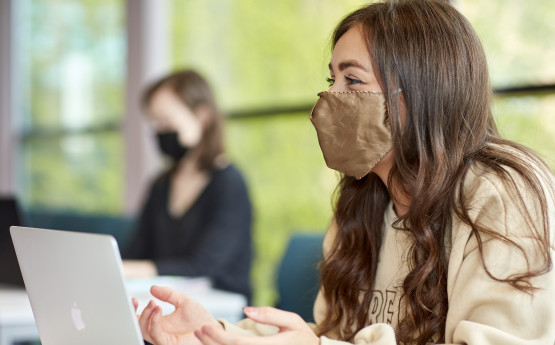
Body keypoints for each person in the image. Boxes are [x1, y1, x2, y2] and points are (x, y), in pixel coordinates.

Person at [134, 1, 555, 344]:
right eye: (331, 79)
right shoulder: (364, 198)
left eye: (351, 81)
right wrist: (210, 332)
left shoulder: (505, 190)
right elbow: (330, 333)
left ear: (423, 90)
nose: (327, 99)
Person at [123, 69, 253, 302]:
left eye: (166, 121)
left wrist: (132, 269)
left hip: (218, 312)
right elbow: (136, 250)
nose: (159, 131)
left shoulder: (229, 185)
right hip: (163, 304)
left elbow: (205, 266)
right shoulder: (161, 185)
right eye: (154, 123)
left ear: (202, 116)